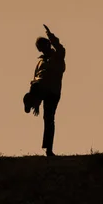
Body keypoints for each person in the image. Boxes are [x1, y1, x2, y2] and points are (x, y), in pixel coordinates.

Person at [23, 24, 66, 157]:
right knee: (35, 85)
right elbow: (36, 77)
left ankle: (48, 149)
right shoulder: (40, 62)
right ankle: (29, 101)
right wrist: (36, 101)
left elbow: (59, 46)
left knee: (49, 119)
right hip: (41, 88)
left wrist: (50, 35)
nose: (41, 49)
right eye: (39, 48)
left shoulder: (58, 56)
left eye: (43, 46)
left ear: (48, 45)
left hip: (53, 92)